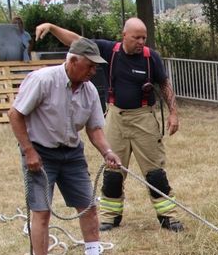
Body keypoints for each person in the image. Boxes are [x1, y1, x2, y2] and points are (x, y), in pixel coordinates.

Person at [35, 18, 184, 233]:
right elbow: (77, 42)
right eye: (136, 37)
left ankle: (168, 216)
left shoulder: (151, 58)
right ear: (124, 35)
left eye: (144, 37)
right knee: (112, 171)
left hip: (144, 118)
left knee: (155, 172)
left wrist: (173, 113)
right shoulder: (108, 50)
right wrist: (51, 28)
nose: (141, 42)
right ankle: (110, 216)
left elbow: (165, 84)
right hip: (115, 117)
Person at [7, 38, 122, 255]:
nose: (94, 71)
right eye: (90, 66)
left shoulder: (90, 90)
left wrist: (108, 151)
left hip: (72, 153)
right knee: (42, 211)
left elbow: (94, 129)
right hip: (40, 153)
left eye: (96, 67)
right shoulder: (43, 80)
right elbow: (15, 114)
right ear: (72, 61)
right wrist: (29, 151)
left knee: (89, 206)